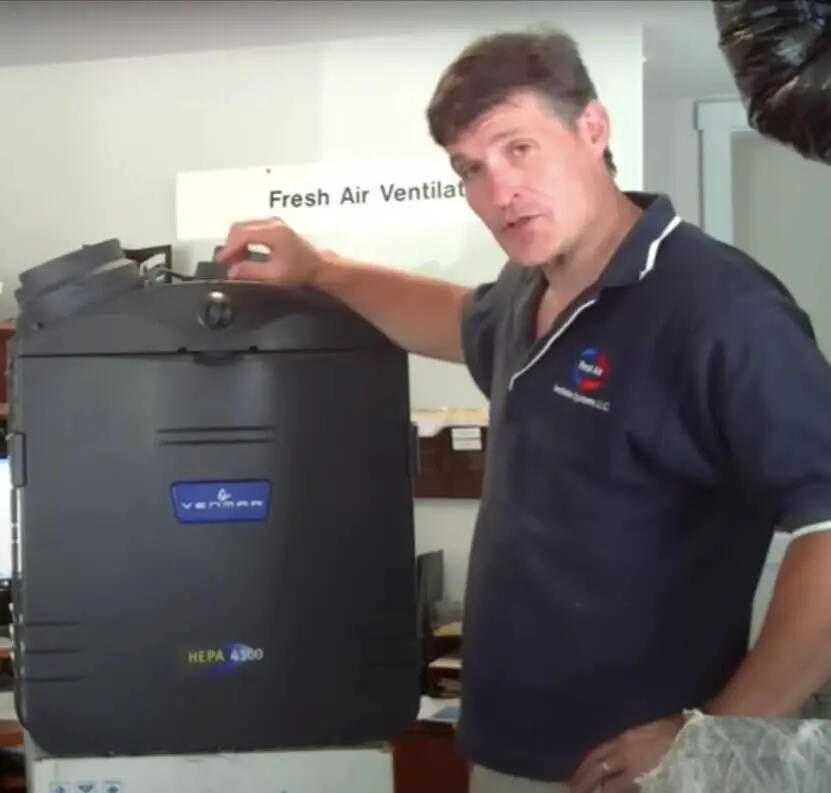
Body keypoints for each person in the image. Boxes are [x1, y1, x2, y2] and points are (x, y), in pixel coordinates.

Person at [218, 30, 831, 793]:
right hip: (505, 748)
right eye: (470, 168)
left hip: (632, 769)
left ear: (592, 129)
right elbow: (450, 317)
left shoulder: (720, 307)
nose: (497, 190)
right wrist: (319, 269)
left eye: (518, 147)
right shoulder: (526, 288)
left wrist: (715, 736)